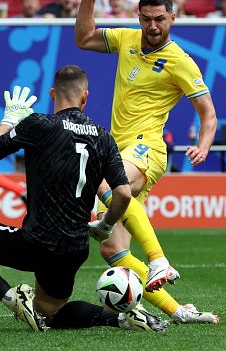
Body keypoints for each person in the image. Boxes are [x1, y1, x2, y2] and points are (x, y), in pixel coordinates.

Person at [75, 0, 219, 324]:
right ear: (138, 18)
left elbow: (208, 113)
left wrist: (202, 145)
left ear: (172, 18)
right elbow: (83, 38)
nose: (152, 26)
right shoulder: (127, 39)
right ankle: (178, 310)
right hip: (118, 148)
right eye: (146, 19)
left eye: (159, 19)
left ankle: (159, 260)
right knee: (111, 248)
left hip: (147, 148)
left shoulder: (180, 60)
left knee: (108, 184)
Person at [0, 67, 168, 333]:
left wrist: (9, 121)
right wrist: (106, 225)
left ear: (53, 93)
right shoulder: (103, 137)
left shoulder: (38, 125)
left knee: (37, 304)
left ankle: (13, 298)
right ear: (85, 97)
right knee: (49, 313)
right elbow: (123, 194)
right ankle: (120, 318)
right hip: (74, 248)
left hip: (36, 242)